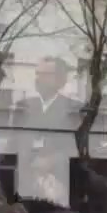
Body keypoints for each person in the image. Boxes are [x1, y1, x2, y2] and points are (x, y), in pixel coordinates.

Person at [12, 56, 83, 203]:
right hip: (24, 185)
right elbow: (13, 143)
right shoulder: (24, 106)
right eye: (37, 74)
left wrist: (53, 160)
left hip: (58, 187)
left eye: (45, 74)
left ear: (60, 80)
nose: (38, 79)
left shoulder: (73, 109)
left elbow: (78, 151)